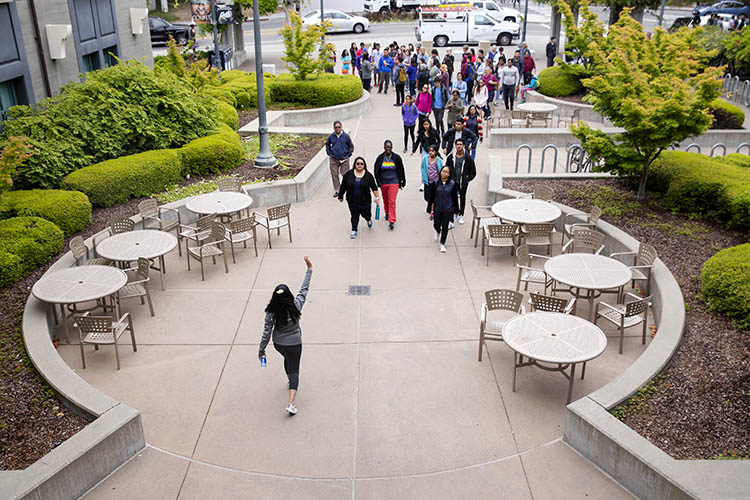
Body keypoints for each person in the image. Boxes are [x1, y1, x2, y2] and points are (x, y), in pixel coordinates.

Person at [258, 256, 313, 416]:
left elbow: (266, 332)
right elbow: (304, 289)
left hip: (279, 344)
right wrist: (309, 269)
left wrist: (261, 350)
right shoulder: (296, 306)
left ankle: (289, 379)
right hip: (295, 343)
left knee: (287, 359)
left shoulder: (271, 312)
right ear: (289, 296)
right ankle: (291, 403)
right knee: (295, 369)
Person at [338, 157, 380, 239]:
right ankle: (354, 230)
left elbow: (374, 187)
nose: (360, 165)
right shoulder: (348, 174)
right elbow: (343, 186)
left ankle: (368, 219)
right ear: (355, 165)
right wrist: (341, 195)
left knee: (366, 214)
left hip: (365, 201)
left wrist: (377, 198)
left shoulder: (368, 176)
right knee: (354, 215)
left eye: (361, 164)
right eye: (358, 163)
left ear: (364, 165)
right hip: (352, 201)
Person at [373, 140, 406, 230]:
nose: (388, 149)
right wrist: (378, 182)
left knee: (392, 201)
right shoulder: (380, 158)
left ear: (392, 147)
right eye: (387, 147)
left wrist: (403, 181)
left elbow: (401, 169)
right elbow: (376, 170)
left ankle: (392, 220)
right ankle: (387, 213)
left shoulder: (396, 158)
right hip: (383, 182)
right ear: (384, 147)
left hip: (394, 182)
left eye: (390, 147)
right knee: (386, 200)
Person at [426, 165, 458, 253]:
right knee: (436, 224)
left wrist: (456, 211)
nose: (444, 173)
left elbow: (455, 198)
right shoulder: (435, 183)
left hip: (448, 209)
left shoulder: (452, 184)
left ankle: (442, 243)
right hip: (437, 208)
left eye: (446, 172)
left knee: (445, 227)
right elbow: (431, 197)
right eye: (443, 171)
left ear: (449, 174)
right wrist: (429, 209)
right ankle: (437, 231)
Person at [444, 137, 476, 225]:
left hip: (463, 182)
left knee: (462, 198)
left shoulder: (468, 158)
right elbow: (446, 168)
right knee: (453, 198)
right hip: (453, 181)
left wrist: (467, 180)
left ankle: (461, 214)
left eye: (460, 144)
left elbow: (473, 172)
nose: (459, 146)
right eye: (457, 144)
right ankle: (456, 212)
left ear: (464, 146)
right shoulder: (451, 157)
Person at [326, 121, 354, 197]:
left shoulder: (346, 136)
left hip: (344, 159)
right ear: (333, 128)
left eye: (339, 127)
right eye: (336, 127)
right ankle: (338, 190)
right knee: (334, 175)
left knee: (345, 175)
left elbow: (351, 146)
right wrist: (329, 153)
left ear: (341, 127)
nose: (337, 129)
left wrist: (348, 155)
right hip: (334, 159)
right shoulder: (331, 137)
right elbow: (327, 145)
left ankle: (346, 188)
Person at [421, 144, 443, 212]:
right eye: (429, 151)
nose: (430, 152)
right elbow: (423, 167)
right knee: (427, 197)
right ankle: (431, 206)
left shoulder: (439, 160)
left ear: (436, 152)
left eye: (432, 151)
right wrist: (424, 177)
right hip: (427, 181)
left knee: (434, 197)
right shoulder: (425, 159)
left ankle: (433, 211)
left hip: (435, 182)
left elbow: (441, 170)